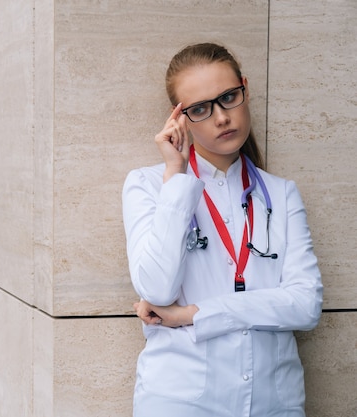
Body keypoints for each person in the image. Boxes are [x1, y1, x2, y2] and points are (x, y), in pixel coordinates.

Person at [122, 43, 323, 417]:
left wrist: (194, 314)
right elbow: (156, 288)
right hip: (181, 400)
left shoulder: (281, 193)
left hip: (273, 401)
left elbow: (305, 305)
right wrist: (175, 178)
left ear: (245, 89)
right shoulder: (149, 186)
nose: (221, 118)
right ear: (180, 119)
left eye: (229, 97)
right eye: (200, 108)